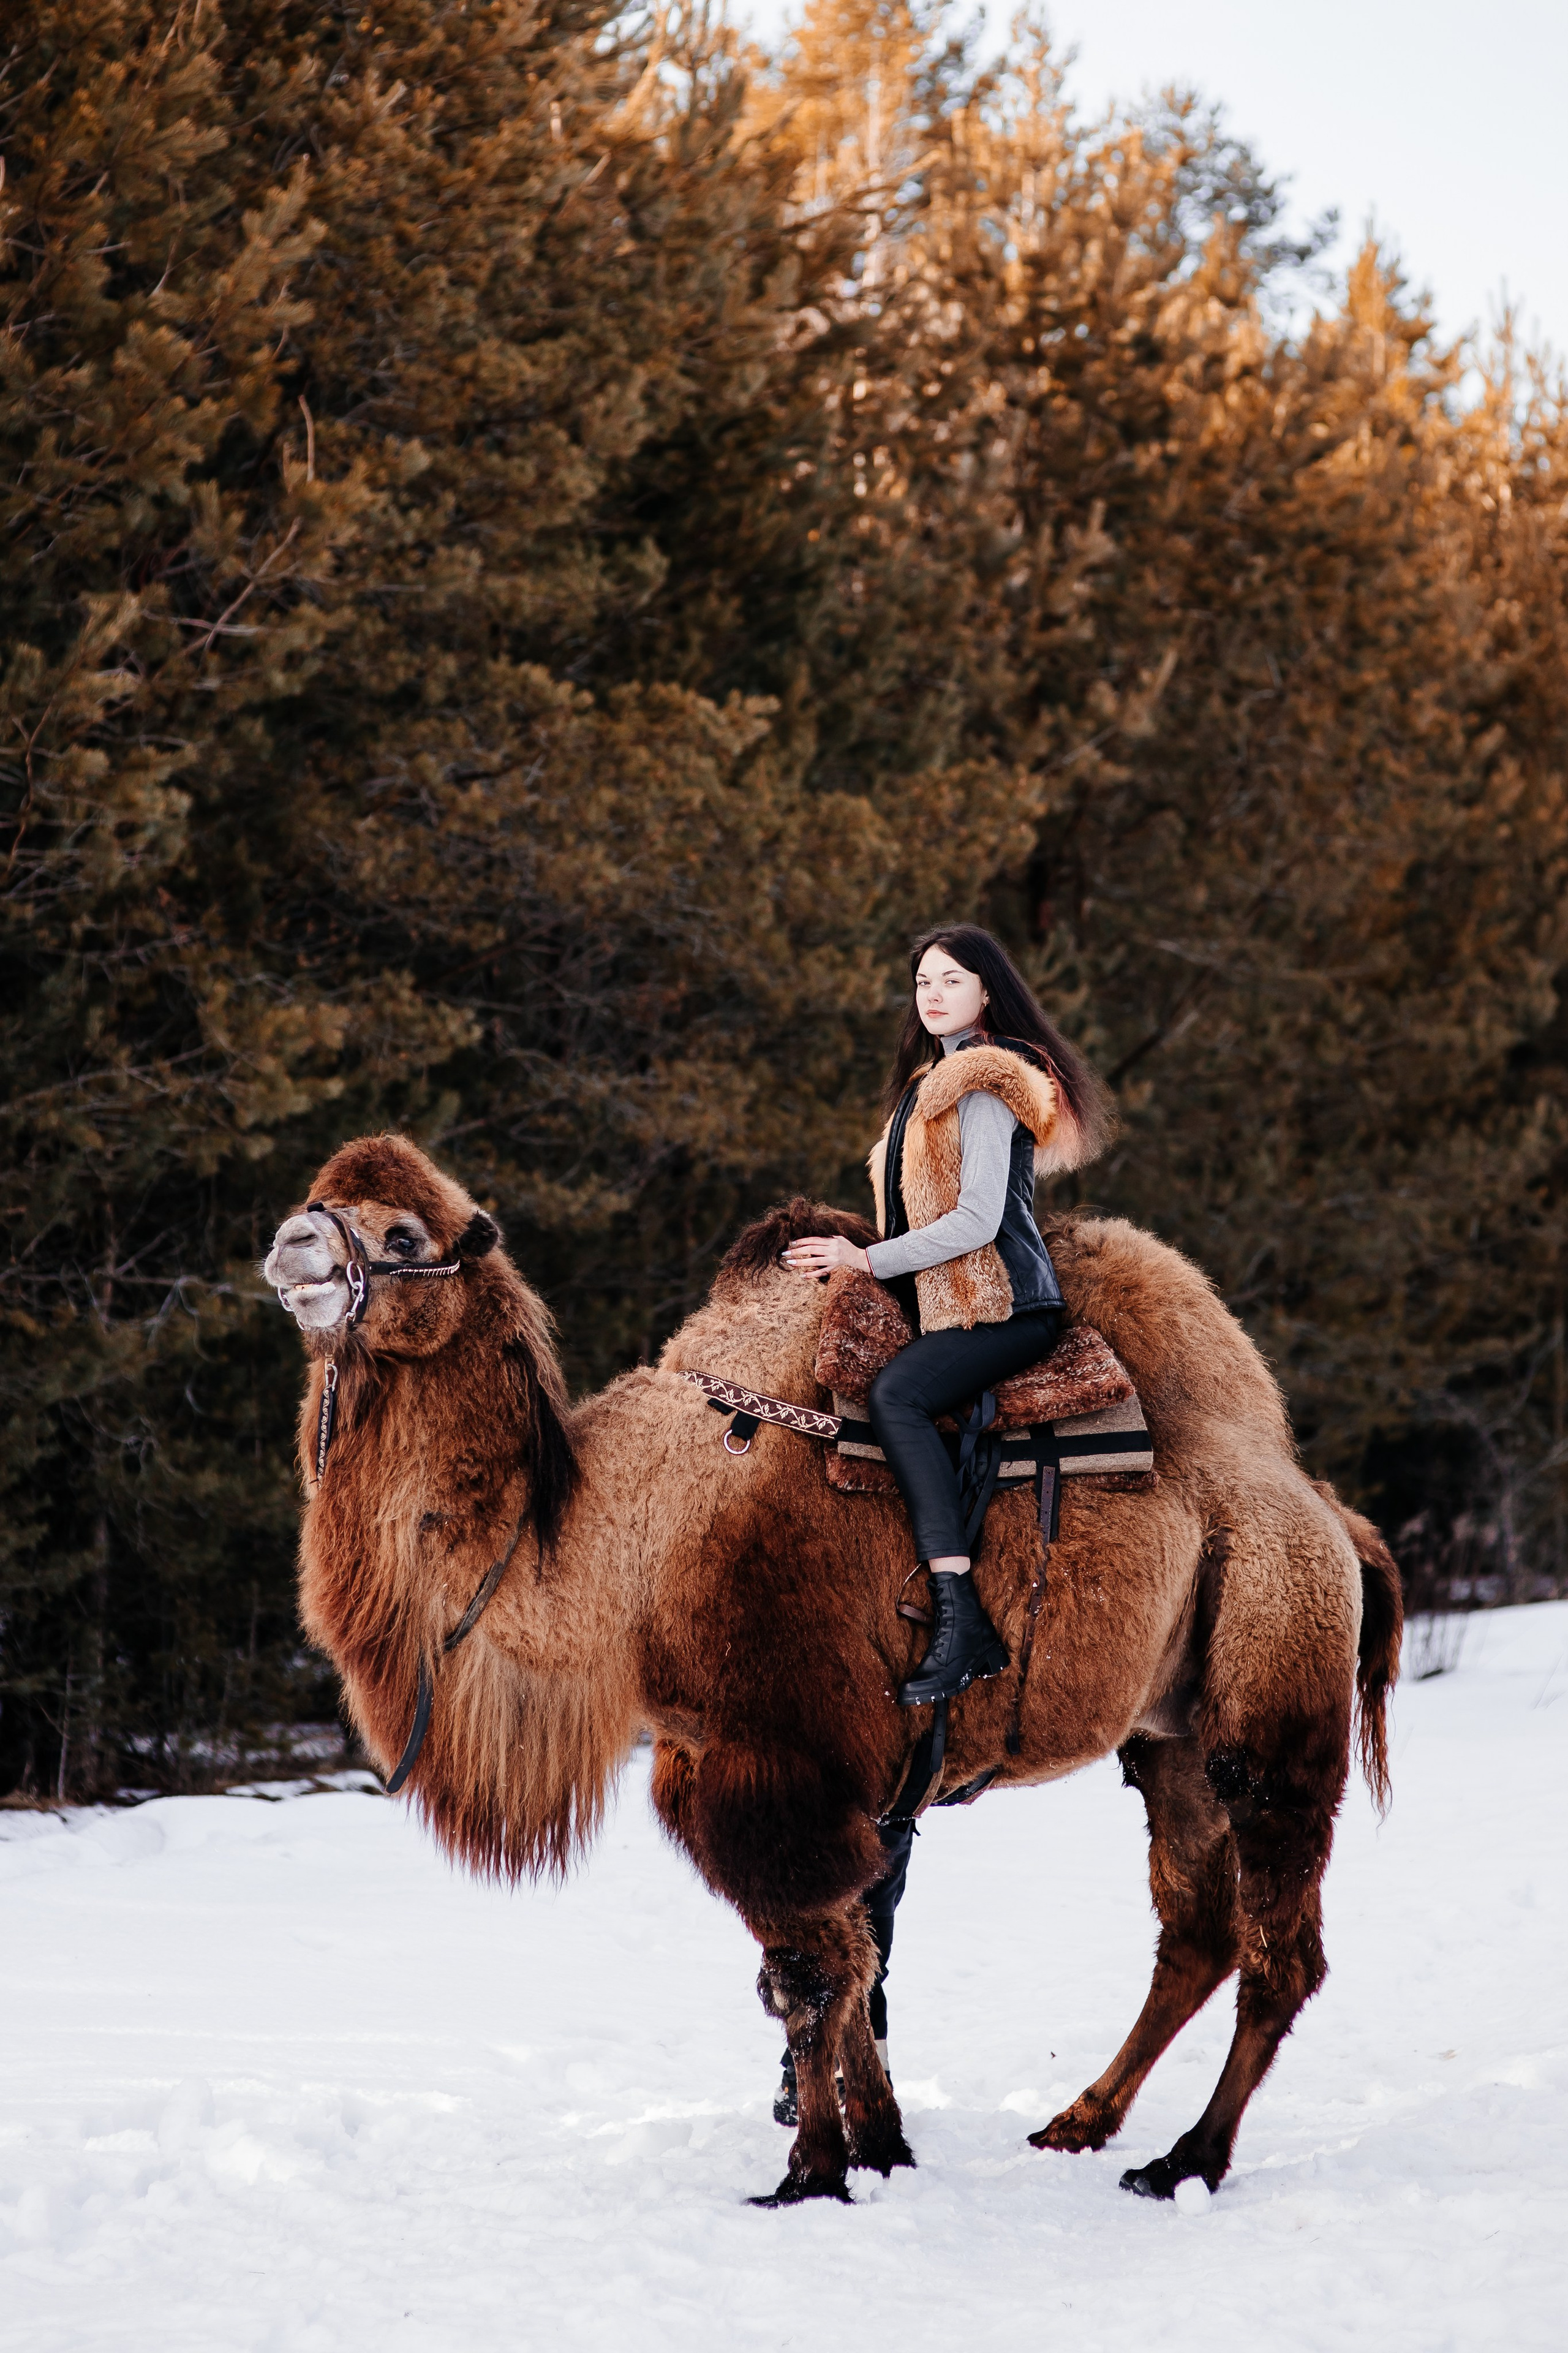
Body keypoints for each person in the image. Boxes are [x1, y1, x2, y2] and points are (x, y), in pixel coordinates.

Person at [783, 924, 1114, 1705]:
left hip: (1007, 1306)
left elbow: (976, 1220)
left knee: (897, 1396)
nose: (932, 994)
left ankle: (961, 1619)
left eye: (951, 980)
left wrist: (863, 1260)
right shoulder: (927, 1085)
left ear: (987, 990)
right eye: (923, 982)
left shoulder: (985, 1080)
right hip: (953, 1308)